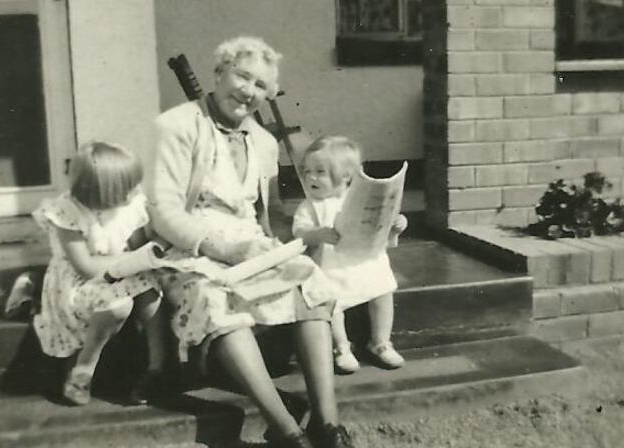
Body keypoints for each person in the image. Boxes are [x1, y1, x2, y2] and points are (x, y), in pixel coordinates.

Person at [148, 37, 353, 448]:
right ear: (218, 73)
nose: (248, 91)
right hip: (189, 248)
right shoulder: (175, 126)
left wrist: (286, 245)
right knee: (213, 299)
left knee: (309, 281)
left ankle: (327, 425)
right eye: (242, 76)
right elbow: (162, 212)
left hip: (250, 246)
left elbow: (267, 213)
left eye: (260, 85)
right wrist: (222, 250)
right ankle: (286, 430)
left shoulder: (262, 141)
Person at [32, 141, 166, 406]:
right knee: (118, 306)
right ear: (104, 192)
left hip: (120, 270)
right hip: (81, 280)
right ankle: (83, 369)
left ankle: (160, 364)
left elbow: (138, 244)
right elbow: (84, 266)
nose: (137, 191)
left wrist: (150, 252)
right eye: (129, 186)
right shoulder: (67, 211)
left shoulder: (130, 205)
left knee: (150, 288)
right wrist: (134, 259)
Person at [291, 136, 408, 375]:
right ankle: (341, 346)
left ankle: (380, 341)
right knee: (332, 300)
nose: (311, 178)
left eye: (320, 172)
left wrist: (396, 225)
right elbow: (299, 232)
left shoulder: (357, 200)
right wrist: (317, 234)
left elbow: (379, 226)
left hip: (363, 259)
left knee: (383, 288)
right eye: (307, 171)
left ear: (346, 176)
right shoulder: (310, 205)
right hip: (331, 264)